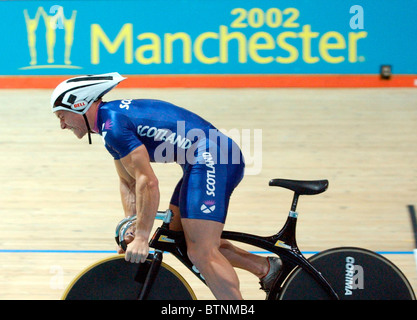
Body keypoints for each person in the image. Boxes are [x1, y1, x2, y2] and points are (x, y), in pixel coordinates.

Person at [51, 72, 281, 299]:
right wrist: (132, 229)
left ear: (80, 105)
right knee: (176, 237)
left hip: (214, 157)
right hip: (204, 158)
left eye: (62, 116)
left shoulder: (114, 127)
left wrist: (142, 237)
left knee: (201, 251)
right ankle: (266, 269)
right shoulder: (109, 124)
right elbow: (128, 182)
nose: (62, 125)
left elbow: (148, 183)